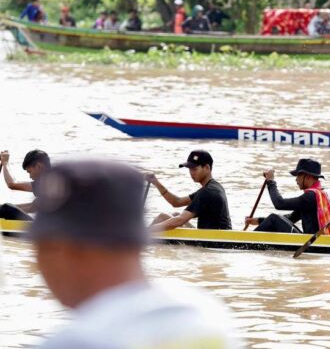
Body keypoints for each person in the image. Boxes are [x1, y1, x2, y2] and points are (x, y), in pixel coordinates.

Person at [30, 160, 240, 348]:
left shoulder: (74, 342)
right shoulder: (208, 317)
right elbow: (176, 203)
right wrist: (156, 184)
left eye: (41, 247)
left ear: (65, 250)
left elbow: (177, 221)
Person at [244, 158, 330, 235]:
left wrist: (271, 182)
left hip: (313, 244)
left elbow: (279, 204)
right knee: (274, 219)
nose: (296, 179)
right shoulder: (319, 195)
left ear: (308, 177)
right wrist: (258, 220)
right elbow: (291, 218)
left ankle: (245, 243)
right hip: (315, 241)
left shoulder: (311, 197)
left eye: (298, 175)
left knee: (274, 218)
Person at [146, 150, 232, 232]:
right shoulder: (214, 187)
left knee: (162, 217)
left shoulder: (207, 192)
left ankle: (138, 239)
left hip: (216, 240)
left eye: (194, 169)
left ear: (207, 168)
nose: (191, 173)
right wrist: (156, 182)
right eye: (189, 169)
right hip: (213, 235)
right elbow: (177, 202)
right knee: (175, 214)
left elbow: (180, 220)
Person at [0, 149, 51, 221]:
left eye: (29, 172)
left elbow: (12, 184)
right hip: (51, 227)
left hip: (51, 228)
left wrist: (5, 163)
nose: (30, 177)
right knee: (4, 209)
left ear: (39, 166)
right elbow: (31, 207)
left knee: (5, 208)